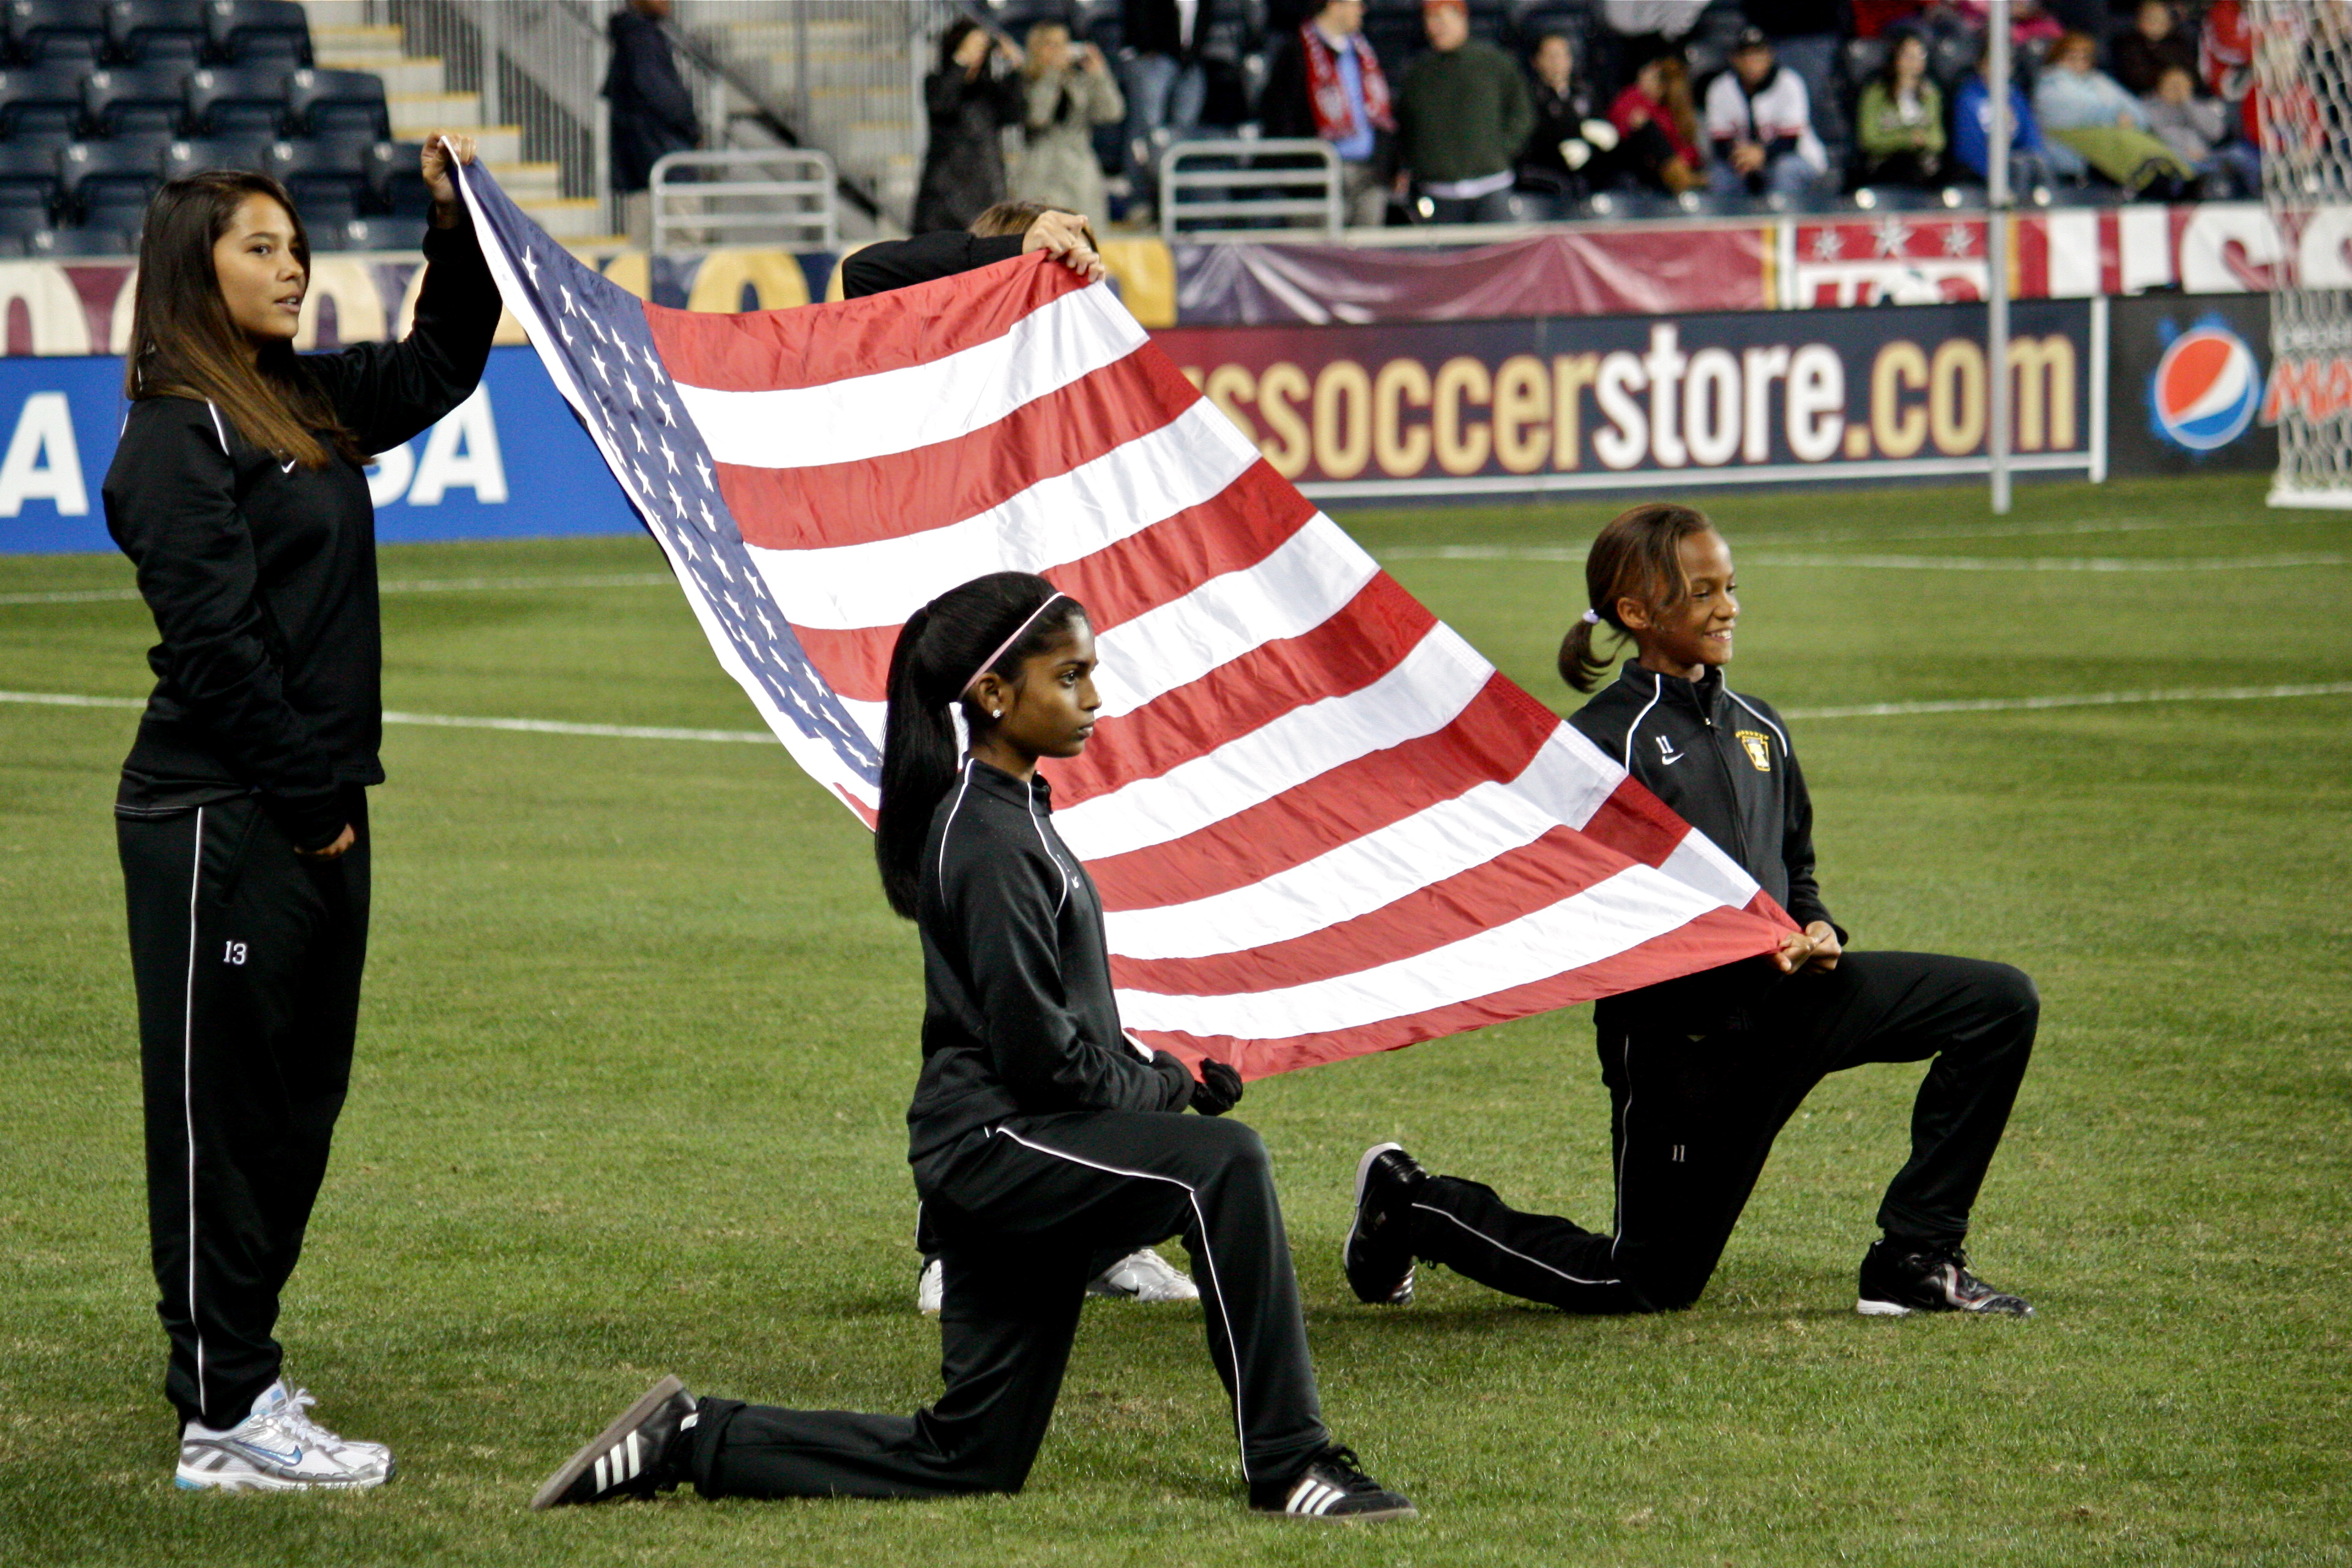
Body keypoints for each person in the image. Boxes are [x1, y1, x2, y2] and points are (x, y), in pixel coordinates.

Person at [531, 574, 1415, 1522]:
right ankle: (1291, 1461)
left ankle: (694, 1434)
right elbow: (1044, 1062)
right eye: (1070, 675)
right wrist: (1160, 1091)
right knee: (1225, 1168)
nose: (1095, 698)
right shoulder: (988, 836)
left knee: (971, 1452)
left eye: (1094, 673)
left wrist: (1174, 1081)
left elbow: (1062, 1017)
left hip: (1015, 1145)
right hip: (997, 1147)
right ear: (994, 694)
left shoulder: (1014, 810)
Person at [1339, 504, 2040, 1323]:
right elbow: (1567, 903)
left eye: (1731, 586)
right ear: (1638, 613)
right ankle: (1413, 1203)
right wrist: (1716, 953)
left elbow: (1796, 866)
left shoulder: (1761, 728)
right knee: (1644, 1283)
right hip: (1686, 1046)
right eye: (1702, 591)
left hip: (1798, 1003)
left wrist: (1816, 929)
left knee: (1996, 1004)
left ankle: (1914, 1259)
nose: (1728, 605)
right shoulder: (1601, 743)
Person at [106, 138, 494, 1492]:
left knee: (296, 1110)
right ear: (189, 269)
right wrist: (310, 796)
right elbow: (214, 649)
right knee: (227, 1114)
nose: (292, 266)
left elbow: (441, 362)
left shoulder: (297, 396)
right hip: (223, 815)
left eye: (295, 246)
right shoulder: (175, 431)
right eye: (258, 247)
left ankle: (244, 1361)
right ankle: (221, 1416)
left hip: (310, 810)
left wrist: (458, 226)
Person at [1394, 0, 1534, 223]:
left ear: (1462, 19)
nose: (1435, 26)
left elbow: (1522, 113)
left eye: (1442, 18)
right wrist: (1419, 163)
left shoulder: (1495, 63)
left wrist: (1502, 150)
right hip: (1438, 192)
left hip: (1492, 186)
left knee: (1498, 255)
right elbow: (1405, 126)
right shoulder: (1417, 73)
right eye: (1430, 19)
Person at [1260, 0, 1394, 227]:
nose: (1362, 10)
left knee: (1367, 256)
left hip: (1368, 177)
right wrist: (1303, 180)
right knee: (1322, 257)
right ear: (1334, 5)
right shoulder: (1295, 52)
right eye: (1356, 3)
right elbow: (1280, 119)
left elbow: (1383, 114)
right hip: (1319, 181)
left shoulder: (1365, 51)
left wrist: (1384, 166)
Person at [2034, 30, 2193, 195]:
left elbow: (2134, 108)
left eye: (2084, 56)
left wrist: (2130, 118)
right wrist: (2114, 116)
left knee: (2141, 137)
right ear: (2059, 56)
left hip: (2108, 129)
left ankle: (2178, 174)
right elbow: (2072, 111)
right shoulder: (2051, 81)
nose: (2079, 61)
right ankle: (2147, 179)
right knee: (2122, 140)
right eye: (2072, 55)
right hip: (2068, 134)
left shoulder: (2098, 79)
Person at [913, 18, 1027, 235]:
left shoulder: (990, 89)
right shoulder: (936, 81)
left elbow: (1016, 113)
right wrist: (961, 61)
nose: (977, 55)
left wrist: (1015, 67)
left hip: (986, 190)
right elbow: (942, 104)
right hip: (943, 193)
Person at [602, 0, 699, 248]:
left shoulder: (630, 36)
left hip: (640, 167)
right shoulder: (641, 38)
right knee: (683, 244)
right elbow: (662, 93)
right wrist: (691, 127)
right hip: (664, 158)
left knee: (643, 249)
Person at [1013, 21, 1126, 231]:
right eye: (1050, 45)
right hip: (1040, 172)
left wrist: (1100, 74)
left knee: (1085, 243)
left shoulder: (1079, 81)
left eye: (1063, 44)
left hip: (1080, 171)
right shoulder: (1023, 81)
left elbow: (1112, 113)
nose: (1059, 51)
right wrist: (1052, 75)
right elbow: (1038, 117)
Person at [1704, 27, 1828, 199]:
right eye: (1747, 55)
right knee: (1720, 175)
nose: (1753, 62)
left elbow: (1790, 142)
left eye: (1759, 54)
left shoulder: (1789, 83)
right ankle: (1727, 226)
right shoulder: (1721, 88)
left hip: (1797, 158)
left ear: (1770, 56)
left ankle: (1782, 224)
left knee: (1785, 170)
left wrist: (1761, 155)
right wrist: (1744, 158)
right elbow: (1720, 143)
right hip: (1741, 162)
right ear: (1735, 59)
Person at [1120, 0, 1213, 220]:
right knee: (1146, 131)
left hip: (1191, 62)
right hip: (1153, 59)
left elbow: (1202, 24)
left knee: (1181, 134)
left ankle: (1176, 200)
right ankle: (1140, 199)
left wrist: (1192, 55)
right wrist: (1147, 50)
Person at [1517, 30, 1618, 199]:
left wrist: (1591, 149)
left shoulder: (1585, 92)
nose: (1558, 62)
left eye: (1563, 55)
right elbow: (1534, 137)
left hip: (1588, 168)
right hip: (1546, 169)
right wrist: (1580, 132)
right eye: (1551, 56)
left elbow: (1603, 132)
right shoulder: (1528, 96)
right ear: (1536, 62)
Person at [2142, 62, 2258, 197]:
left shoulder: (2197, 105)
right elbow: (2155, 134)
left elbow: (2216, 133)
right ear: (2161, 86)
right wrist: (2183, 151)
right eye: (2173, 85)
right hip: (2174, 159)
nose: (2177, 89)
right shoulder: (2149, 108)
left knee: (2239, 153)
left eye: (2182, 84)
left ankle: (2259, 191)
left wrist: (2187, 102)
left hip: (2206, 156)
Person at [1953, 50, 2065, 187]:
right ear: (1981, 66)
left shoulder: (2015, 96)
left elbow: (2032, 137)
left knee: (2036, 164)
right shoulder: (1969, 98)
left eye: (2005, 64)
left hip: (2013, 161)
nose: (1999, 69)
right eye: (1992, 64)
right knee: (2019, 168)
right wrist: (1993, 172)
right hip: (1982, 169)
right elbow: (1969, 148)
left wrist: (2038, 158)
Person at [1854, 29, 1946, 187]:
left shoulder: (1931, 93)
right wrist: (1909, 139)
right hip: (1885, 165)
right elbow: (1869, 139)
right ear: (1896, 58)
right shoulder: (1875, 93)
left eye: (1920, 56)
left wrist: (1921, 141)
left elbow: (1938, 141)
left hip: (1923, 167)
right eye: (1908, 56)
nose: (1914, 62)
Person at [1608, 52, 1704, 195]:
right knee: (1646, 126)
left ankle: (1681, 177)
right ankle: (1682, 178)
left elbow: (1684, 145)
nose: (1644, 77)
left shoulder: (1670, 109)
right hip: (1633, 160)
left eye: (1653, 78)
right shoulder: (1631, 97)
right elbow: (1618, 130)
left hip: (1666, 166)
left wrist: (1682, 160)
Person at [2113, 0, 2197, 97]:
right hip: (2147, 96)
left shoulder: (2177, 43)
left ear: (2169, 24)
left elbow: (2190, 69)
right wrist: (2163, 80)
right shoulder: (2130, 45)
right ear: (2139, 22)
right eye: (2151, 19)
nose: (2156, 24)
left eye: (2161, 20)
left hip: (2181, 92)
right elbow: (2134, 76)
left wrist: (2181, 78)